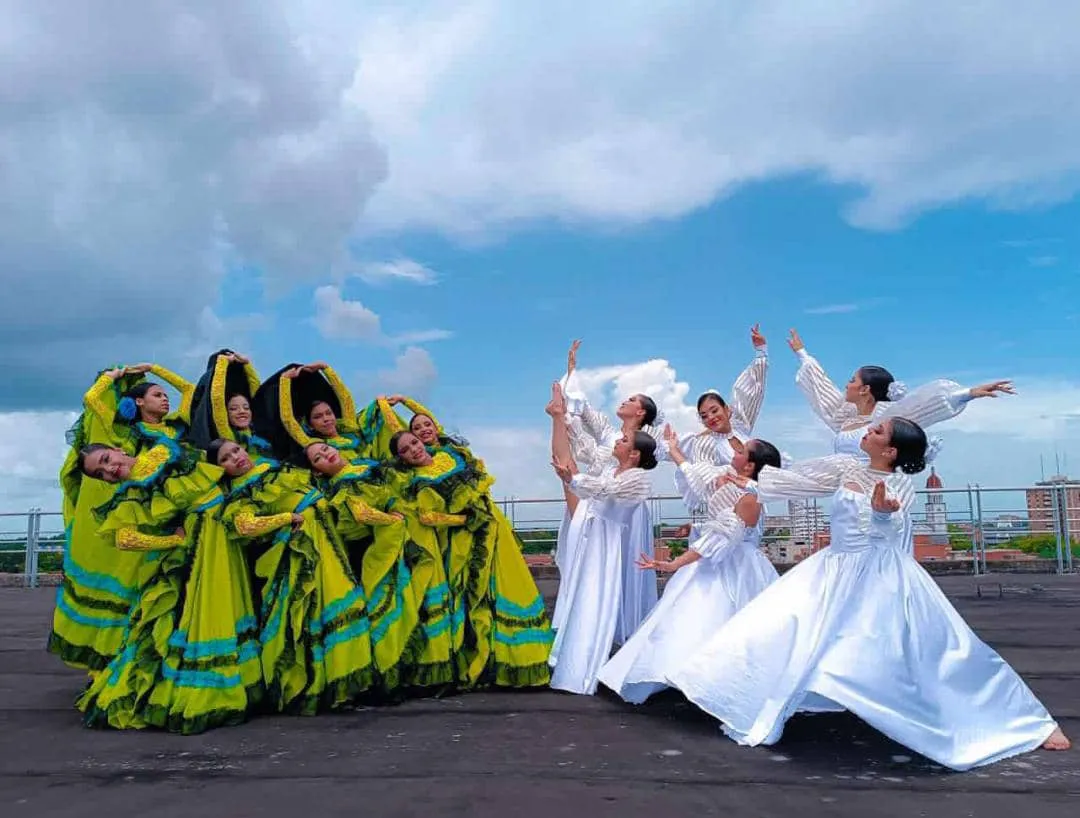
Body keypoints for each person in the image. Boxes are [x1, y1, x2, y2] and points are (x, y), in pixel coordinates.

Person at [666, 417, 1071, 770]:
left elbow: (890, 534)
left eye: (877, 431)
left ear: (890, 449)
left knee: (933, 652)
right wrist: (744, 476)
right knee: (773, 628)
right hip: (832, 569)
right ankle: (740, 689)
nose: (869, 432)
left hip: (878, 573)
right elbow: (798, 476)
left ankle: (1024, 721)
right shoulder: (847, 469)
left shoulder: (899, 485)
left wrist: (882, 513)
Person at [74, 439, 262, 733]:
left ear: (118, 449)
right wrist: (174, 540)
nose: (111, 469)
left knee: (228, 603)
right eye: (102, 472)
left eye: (107, 459)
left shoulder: (164, 451)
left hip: (222, 529)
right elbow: (124, 539)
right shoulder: (133, 493)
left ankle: (239, 682)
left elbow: (214, 458)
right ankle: (211, 690)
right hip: (204, 539)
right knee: (210, 610)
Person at [597, 431, 781, 704]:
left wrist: (674, 563)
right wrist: (695, 527)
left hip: (733, 566)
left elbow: (721, 539)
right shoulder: (744, 492)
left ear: (750, 466)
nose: (735, 453)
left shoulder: (750, 499)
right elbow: (723, 527)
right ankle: (691, 675)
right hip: (729, 559)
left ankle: (708, 680)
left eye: (741, 451)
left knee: (709, 619)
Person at [216, 441, 375, 714]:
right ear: (221, 469)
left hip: (328, 543)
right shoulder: (242, 494)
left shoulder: (277, 469)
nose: (235, 458)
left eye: (236, 451)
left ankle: (345, 684)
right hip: (300, 552)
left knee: (344, 606)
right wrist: (286, 517)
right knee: (311, 615)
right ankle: (314, 688)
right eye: (226, 458)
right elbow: (245, 526)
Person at [389, 431, 553, 690]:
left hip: (494, 528)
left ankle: (524, 659)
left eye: (414, 442)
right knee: (477, 599)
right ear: (402, 459)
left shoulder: (448, 456)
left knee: (510, 587)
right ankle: (489, 663)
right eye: (406, 450)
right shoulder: (419, 481)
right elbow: (428, 517)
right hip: (465, 541)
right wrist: (465, 520)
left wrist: (405, 401)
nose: (414, 449)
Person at [305, 441, 440, 696]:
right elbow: (362, 514)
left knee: (402, 607)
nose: (326, 455)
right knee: (383, 611)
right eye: (318, 458)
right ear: (318, 471)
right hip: (370, 550)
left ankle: (400, 675)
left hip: (391, 543)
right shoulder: (342, 484)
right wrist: (393, 518)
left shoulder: (365, 467)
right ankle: (384, 681)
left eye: (325, 449)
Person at [49, 367, 153, 672]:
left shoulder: (143, 439)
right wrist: (114, 376)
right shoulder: (103, 432)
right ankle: (115, 661)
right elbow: (93, 398)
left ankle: (128, 661)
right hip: (107, 527)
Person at [547, 418, 658, 695]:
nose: (618, 442)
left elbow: (604, 491)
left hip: (606, 544)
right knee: (581, 595)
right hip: (593, 536)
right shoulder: (614, 471)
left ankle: (584, 667)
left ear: (634, 454)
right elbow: (596, 484)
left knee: (595, 598)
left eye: (623, 442)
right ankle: (572, 660)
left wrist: (572, 478)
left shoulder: (637, 479)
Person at [787, 328, 1014, 460]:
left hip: (879, 489)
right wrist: (802, 353)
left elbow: (924, 405)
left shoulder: (888, 418)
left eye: (852, 381)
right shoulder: (846, 417)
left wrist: (969, 393)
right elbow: (822, 390)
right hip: (848, 493)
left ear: (865, 389)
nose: (846, 386)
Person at [251, 361, 369, 463]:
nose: (326, 418)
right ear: (310, 425)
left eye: (328, 413)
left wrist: (325, 368)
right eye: (318, 417)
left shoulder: (350, 430)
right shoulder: (315, 445)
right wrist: (285, 381)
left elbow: (346, 399)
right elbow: (288, 419)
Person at [189, 349, 272, 457]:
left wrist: (247, 364)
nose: (242, 411)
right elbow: (217, 398)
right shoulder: (228, 437)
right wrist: (222, 362)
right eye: (233, 409)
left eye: (246, 407)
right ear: (226, 414)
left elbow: (258, 396)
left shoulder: (259, 430)